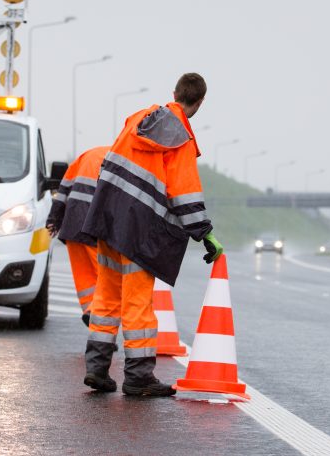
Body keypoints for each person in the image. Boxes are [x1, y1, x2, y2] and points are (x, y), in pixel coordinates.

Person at [80, 72, 223, 396]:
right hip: (139, 232)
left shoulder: (137, 120)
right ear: (200, 103)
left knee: (105, 297)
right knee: (137, 304)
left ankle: (97, 369)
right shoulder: (181, 139)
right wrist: (205, 233)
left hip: (108, 219)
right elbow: (185, 193)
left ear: (174, 93)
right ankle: (139, 377)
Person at [45, 145, 110, 327]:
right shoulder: (122, 159)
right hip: (94, 229)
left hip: (72, 228)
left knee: (85, 278)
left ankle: (90, 312)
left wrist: (54, 219)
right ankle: (102, 331)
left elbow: (62, 190)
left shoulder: (85, 157)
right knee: (105, 279)